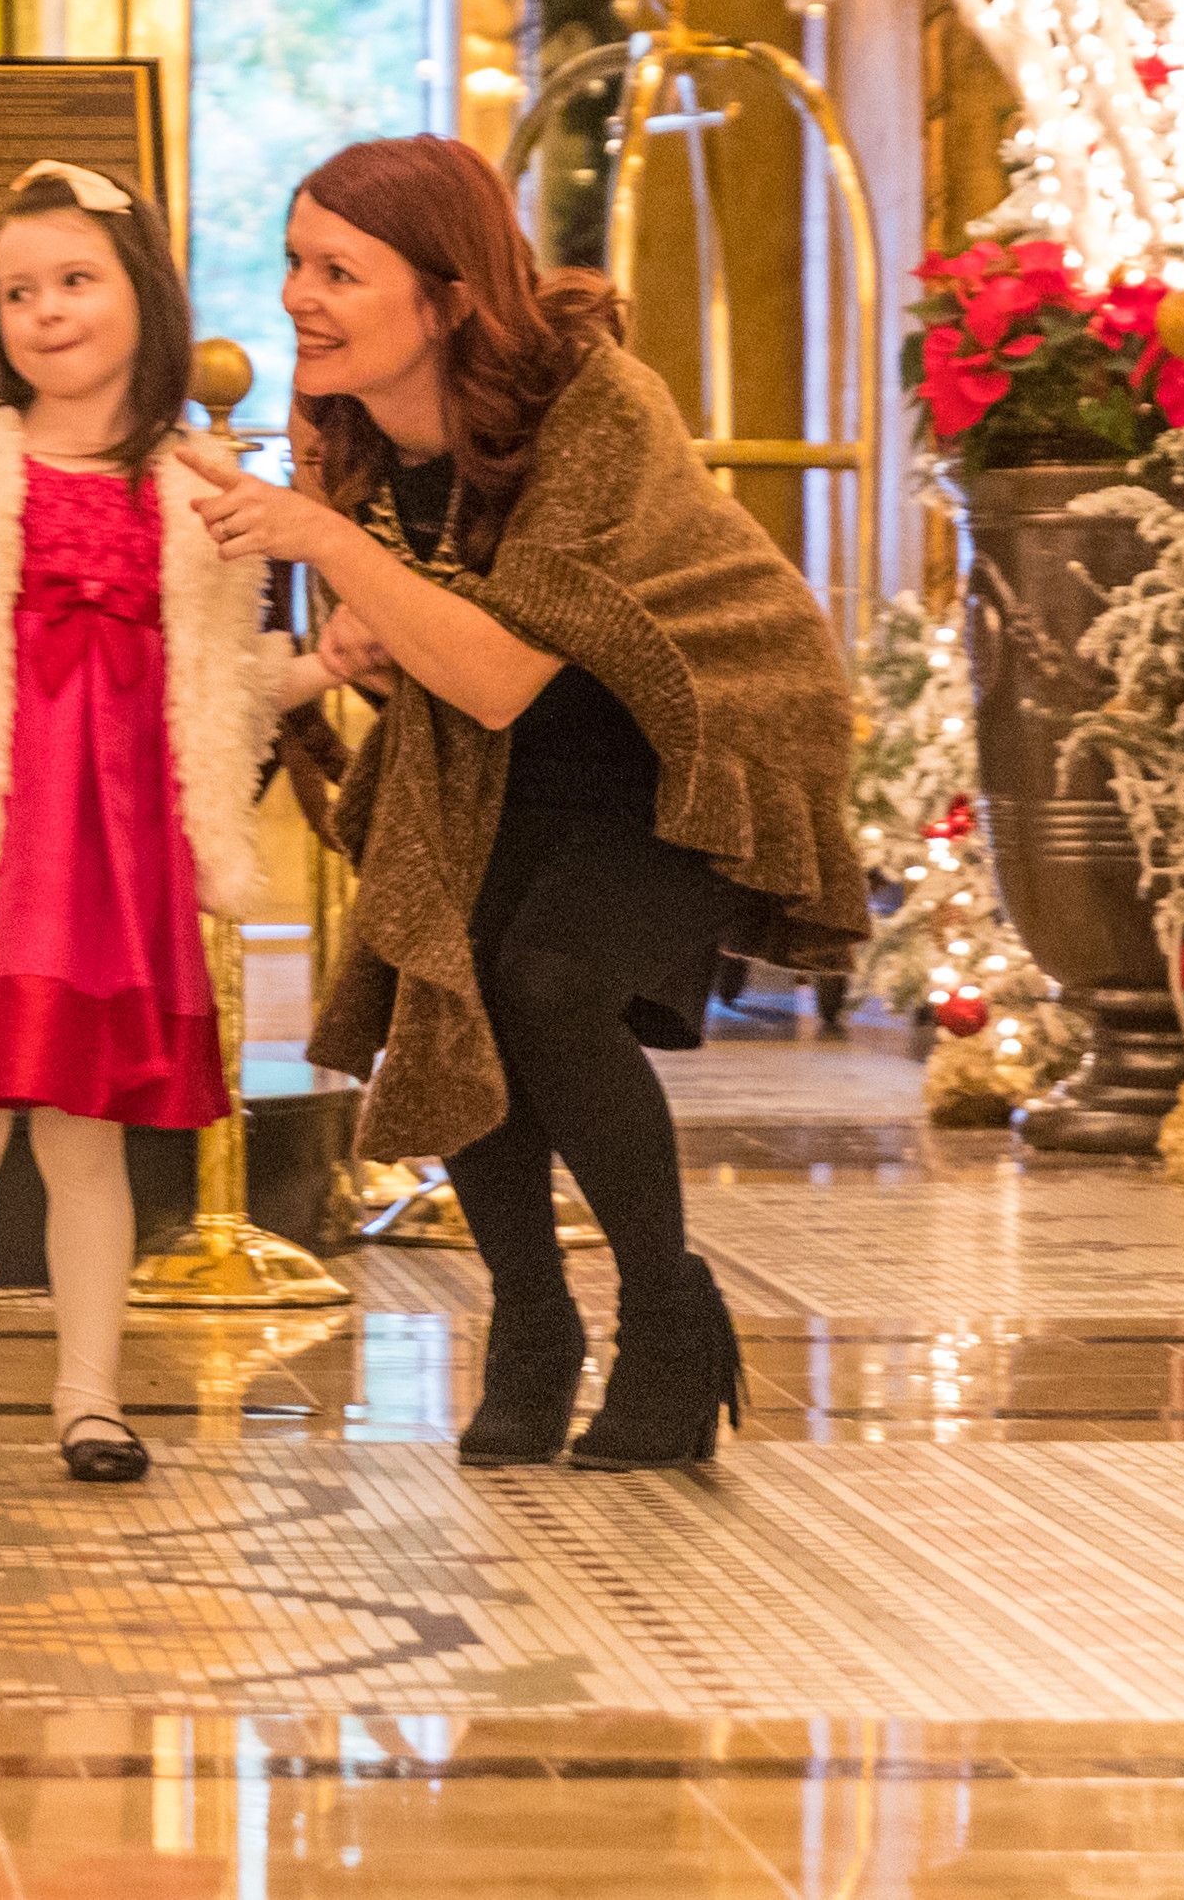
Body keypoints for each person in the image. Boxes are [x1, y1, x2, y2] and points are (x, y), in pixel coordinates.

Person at [186, 134, 856, 1475]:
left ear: (440, 295)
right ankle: (532, 1327)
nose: (295, 298)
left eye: (335, 270)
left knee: (549, 982)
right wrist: (353, 612)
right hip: (512, 750)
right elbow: (423, 654)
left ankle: (669, 1324)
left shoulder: (589, 403)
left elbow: (493, 668)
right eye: (290, 263)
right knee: (458, 982)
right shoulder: (348, 429)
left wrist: (327, 550)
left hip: (692, 728)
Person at [0, 164, 301, 1490]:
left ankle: (91, 1396)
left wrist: (320, 667)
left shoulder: (198, 476)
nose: (44, 310)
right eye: (16, 290)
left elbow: (223, 675)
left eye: (74, 280)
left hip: (108, 850)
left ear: (142, 293)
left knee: (85, 1133)